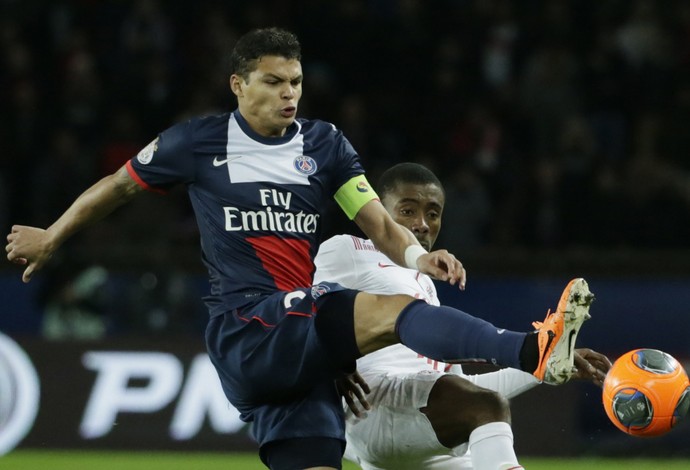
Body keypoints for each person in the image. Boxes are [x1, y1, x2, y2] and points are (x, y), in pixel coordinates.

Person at [6, 27, 593, 470]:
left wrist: (418, 258)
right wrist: (52, 236)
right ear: (238, 84)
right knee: (388, 313)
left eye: (296, 82)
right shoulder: (197, 142)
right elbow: (117, 187)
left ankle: (528, 351)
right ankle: (528, 348)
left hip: (301, 358)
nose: (289, 94)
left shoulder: (325, 145)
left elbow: (381, 224)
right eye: (273, 82)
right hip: (249, 324)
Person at [314, 162, 612, 469]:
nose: (422, 224)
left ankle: (541, 355)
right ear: (378, 211)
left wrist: (542, 370)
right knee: (483, 405)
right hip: (374, 411)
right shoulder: (348, 250)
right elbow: (295, 309)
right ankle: (535, 350)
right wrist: (329, 362)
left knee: (481, 403)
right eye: (407, 211)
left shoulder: (425, 284)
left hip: (419, 435)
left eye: (432, 213)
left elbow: (463, 388)